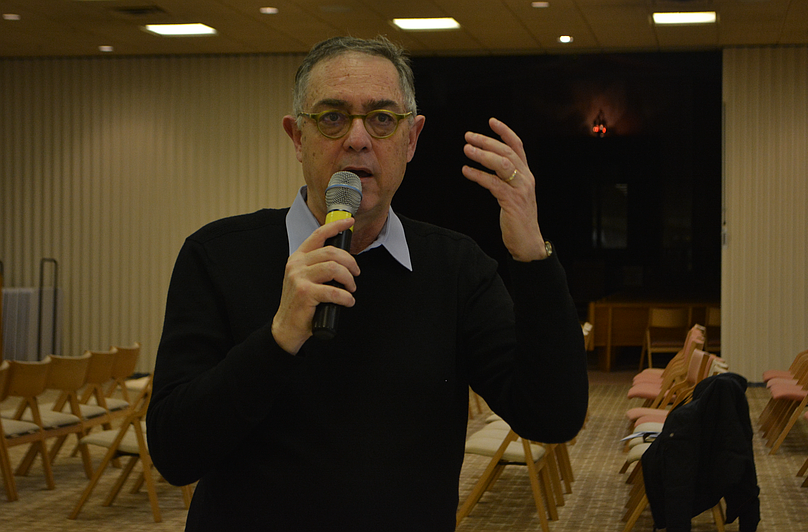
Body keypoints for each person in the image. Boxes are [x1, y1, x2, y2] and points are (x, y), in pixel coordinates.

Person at [147, 35, 588, 531]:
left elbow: (553, 415)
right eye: (332, 117)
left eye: (382, 118)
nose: (357, 139)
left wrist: (531, 255)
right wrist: (277, 339)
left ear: (412, 139)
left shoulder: (457, 267)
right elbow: (174, 452)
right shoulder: (216, 255)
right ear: (297, 138)